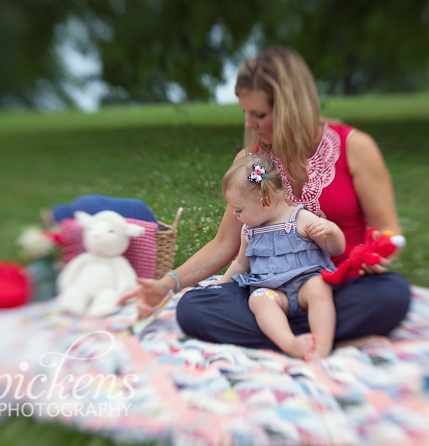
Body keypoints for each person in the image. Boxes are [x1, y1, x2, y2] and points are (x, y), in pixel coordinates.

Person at [122, 46, 411, 351]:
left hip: (337, 286)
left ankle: (293, 334)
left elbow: (387, 230)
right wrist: (166, 286)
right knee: (194, 308)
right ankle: (318, 337)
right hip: (269, 294)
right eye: (245, 113)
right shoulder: (250, 163)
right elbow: (224, 245)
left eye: (259, 114)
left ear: (292, 108)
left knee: (391, 294)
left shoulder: (355, 147)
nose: (249, 124)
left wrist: (380, 254)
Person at [219, 154, 345, 360]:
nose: (235, 215)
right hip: (275, 294)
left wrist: (331, 231)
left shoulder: (301, 219)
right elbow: (242, 263)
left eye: (239, 209)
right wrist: (221, 286)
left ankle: (321, 346)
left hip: (305, 287)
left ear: (265, 201)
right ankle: (289, 342)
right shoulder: (249, 232)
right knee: (258, 299)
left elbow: (335, 249)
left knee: (319, 286)